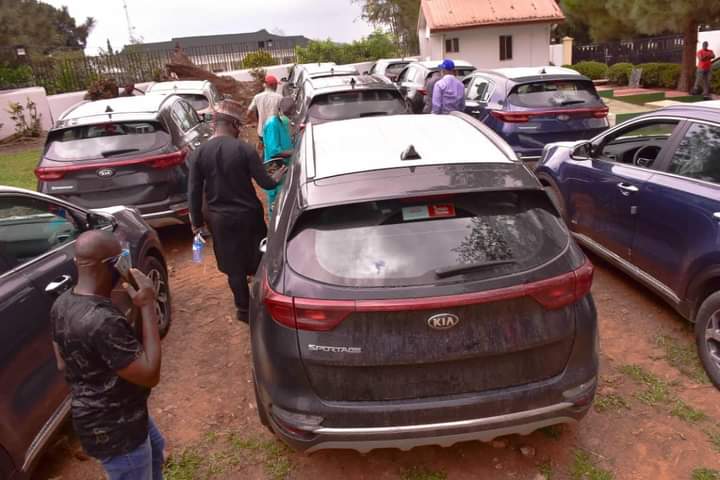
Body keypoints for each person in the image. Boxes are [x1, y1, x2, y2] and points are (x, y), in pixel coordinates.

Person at [51, 230, 164, 480]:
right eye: (121, 258)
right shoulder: (103, 322)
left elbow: (62, 362)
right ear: (110, 265)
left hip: (109, 417)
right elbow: (149, 375)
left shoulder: (62, 303)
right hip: (117, 430)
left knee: (156, 449)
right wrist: (146, 305)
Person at [188, 100, 286, 323]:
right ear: (233, 124)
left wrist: (197, 223)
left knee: (234, 268)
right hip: (248, 216)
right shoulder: (244, 149)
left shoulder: (199, 153)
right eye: (238, 125)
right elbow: (267, 184)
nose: (240, 130)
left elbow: (193, 192)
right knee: (261, 259)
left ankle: (243, 310)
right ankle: (266, 304)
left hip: (220, 220)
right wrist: (277, 177)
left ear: (215, 124)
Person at [262, 97, 295, 217]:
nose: (291, 114)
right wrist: (294, 152)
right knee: (276, 203)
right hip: (276, 169)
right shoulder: (272, 124)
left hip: (284, 167)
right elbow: (274, 151)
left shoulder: (282, 122)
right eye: (290, 111)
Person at [248, 74, 283, 153]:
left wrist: (254, 122)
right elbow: (283, 114)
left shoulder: (257, 97)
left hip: (262, 131)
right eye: (276, 85)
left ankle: (265, 161)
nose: (277, 86)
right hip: (275, 130)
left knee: (265, 149)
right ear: (272, 85)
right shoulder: (279, 97)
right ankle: (276, 163)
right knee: (276, 150)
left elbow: (248, 112)